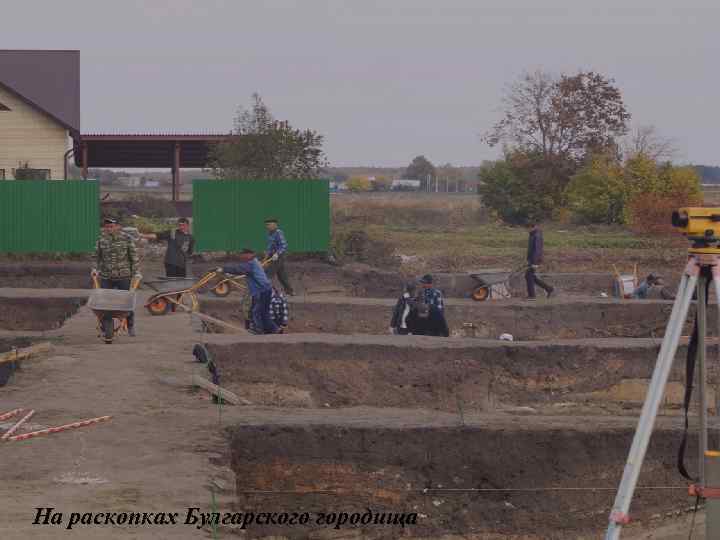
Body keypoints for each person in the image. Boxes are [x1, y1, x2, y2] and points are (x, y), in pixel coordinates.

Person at [95, 218, 140, 336]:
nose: (109, 228)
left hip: (123, 276)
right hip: (106, 276)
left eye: (111, 226)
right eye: (107, 226)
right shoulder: (101, 240)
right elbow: (96, 256)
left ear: (117, 227)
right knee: (104, 304)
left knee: (126, 302)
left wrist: (136, 272)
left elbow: (134, 256)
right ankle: (106, 328)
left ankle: (130, 325)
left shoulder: (126, 238)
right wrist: (94, 269)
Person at [219, 249, 280, 335]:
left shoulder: (251, 264)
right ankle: (274, 330)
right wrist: (228, 272)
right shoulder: (253, 263)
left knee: (256, 311)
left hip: (261, 291)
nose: (240, 257)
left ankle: (258, 329)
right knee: (264, 313)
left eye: (242, 254)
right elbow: (241, 269)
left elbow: (238, 269)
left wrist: (223, 269)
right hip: (265, 290)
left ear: (249, 254)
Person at [264, 218, 294, 296]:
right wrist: (266, 257)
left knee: (268, 274)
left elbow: (284, 245)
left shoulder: (278, 233)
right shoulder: (269, 233)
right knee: (282, 275)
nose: (267, 226)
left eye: (269, 225)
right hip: (272, 256)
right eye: (266, 225)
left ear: (275, 225)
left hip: (278, 256)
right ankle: (290, 291)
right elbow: (269, 246)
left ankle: (266, 292)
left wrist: (277, 253)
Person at [525, 221, 554, 299]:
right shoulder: (532, 235)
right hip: (531, 260)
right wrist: (528, 259)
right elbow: (531, 249)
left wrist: (534, 263)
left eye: (528, 228)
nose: (527, 230)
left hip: (535, 260)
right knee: (530, 276)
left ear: (533, 227)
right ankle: (549, 289)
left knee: (528, 275)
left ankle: (532, 296)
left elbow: (537, 250)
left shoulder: (537, 236)